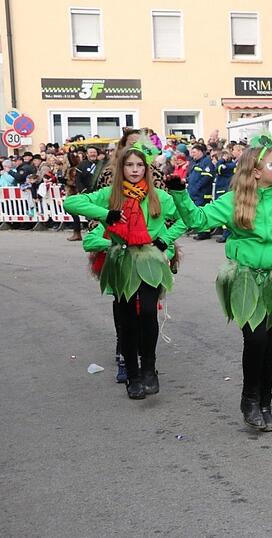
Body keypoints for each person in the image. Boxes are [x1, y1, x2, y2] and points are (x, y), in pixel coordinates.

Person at [165, 133, 272, 431]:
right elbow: (197, 221)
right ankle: (249, 400)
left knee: (270, 343)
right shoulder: (234, 200)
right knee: (256, 339)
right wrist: (180, 195)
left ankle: (265, 402)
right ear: (257, 172)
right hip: (245, 279)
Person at [64, 142, 185, 400]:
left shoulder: (159, 196)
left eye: (140, 165)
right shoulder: (111, 194)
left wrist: (165, 241)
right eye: (129, 165)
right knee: (128, 318)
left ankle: (149, 369)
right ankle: (133, 374)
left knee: (150, 312)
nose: (135, 169)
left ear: (147, 168)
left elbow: (188, 217)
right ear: (121, 168)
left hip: (150, 260)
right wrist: (107, 214)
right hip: (122, 259)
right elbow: (71, 202)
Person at [186, 143, 215, 239]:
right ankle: (201, 232)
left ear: (200, 152)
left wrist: (197, 187)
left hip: (203, 194)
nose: (192, 154)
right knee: (197, 213)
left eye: (194, 152)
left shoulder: (206, 162)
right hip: (195, 193)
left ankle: (204, 233)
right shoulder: (196, 162)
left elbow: (207, 177)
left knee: (202, 213)